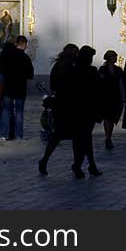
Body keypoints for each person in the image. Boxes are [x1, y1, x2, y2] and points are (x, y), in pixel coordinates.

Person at [38, 43, 79, 173]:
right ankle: (76, 164)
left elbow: (53, 85)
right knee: (68, 136)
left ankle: (46, 160)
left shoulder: (59, 66)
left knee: (63, 136)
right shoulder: (69, 67)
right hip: (66, 104)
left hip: (62, 104)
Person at [67, 45, 103, 178]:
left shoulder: (72, 70)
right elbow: (98, 89)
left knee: (80, 139)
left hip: (76, 109)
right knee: (85, 138)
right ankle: (84, 165)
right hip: (87, 109)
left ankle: (82, 165)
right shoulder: (92, 71)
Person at [0, 34, 34, 140]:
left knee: (6, 111)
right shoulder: (25, 57)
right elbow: (30, 75)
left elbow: (1, 70)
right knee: (19, 112)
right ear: (24, 44)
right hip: (20, 88)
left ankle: (5, 133)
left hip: (8, 87)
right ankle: (18, 135)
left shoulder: (7, 56)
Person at [98, 50, 125, 152]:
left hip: (115, 95)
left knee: (113, 117)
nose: (115, 58)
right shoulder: (102, 69)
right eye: (114, 56)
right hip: (106, 95)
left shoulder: (118, 70)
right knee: (107, 117)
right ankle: (108, 137)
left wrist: (123, 96)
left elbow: (121, 83)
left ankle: (109, 135)